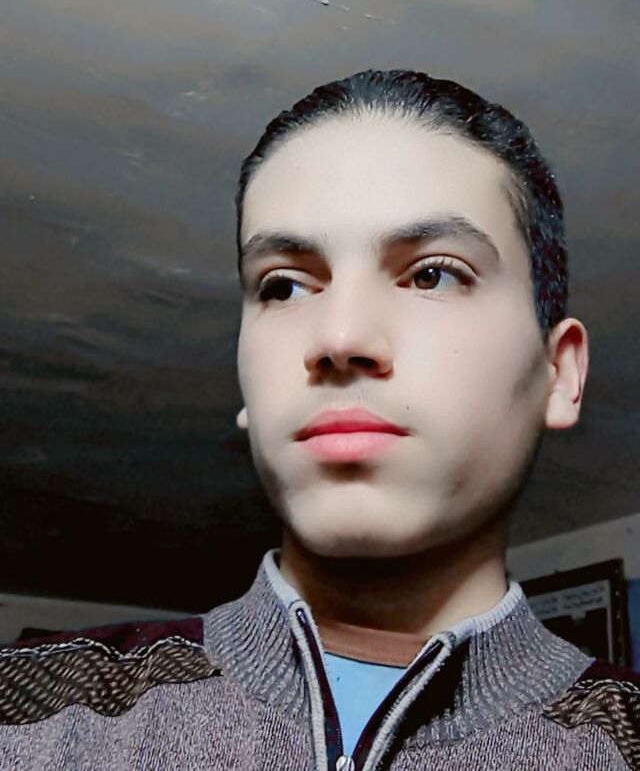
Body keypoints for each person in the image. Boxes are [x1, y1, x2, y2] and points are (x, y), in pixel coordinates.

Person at [1, 69, 638, 770]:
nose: (339, 337)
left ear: (559, 374)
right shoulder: (29, 715)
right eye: (284, 286)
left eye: (432, 273)